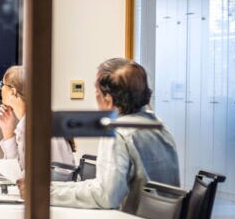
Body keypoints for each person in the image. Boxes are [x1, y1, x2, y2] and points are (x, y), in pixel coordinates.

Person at [49, 58, 180, 210]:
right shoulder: (158, 126)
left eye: (97, 92)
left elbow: (105, 196)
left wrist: (47, 195)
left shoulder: (118, 132)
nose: (96, 97)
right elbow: (104, 187)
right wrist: (52, 189)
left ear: (108, 100)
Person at [0, 65, 75, 172]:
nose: (0, 88)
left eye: (2, 84)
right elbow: (17, 172)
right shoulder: (30, 123)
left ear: (13, 92)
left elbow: (59, 176)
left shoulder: (37, 127)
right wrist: (7, 133)